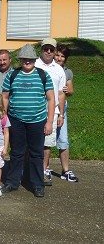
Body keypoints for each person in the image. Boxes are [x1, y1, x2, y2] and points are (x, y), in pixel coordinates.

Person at [1, 44, 55, 198]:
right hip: (16, 120)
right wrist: (4, 118)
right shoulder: (13, 75)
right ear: (20, 60)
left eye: (30, 59)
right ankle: (12, 182)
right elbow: (5, 96)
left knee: (36, 154)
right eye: (24, 58)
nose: (27, 61)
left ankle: (37, 185)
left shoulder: (43, 75)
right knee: (17, 153)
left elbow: (51, 99)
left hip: (37, 121)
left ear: (34, 59)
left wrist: (49, 122)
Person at [35, 38, 67, 186]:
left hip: (52, 112)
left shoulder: (59, 69)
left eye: (51, 49)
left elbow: (61, 93)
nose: (48, 52)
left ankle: (43, 170)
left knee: (47, 143)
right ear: (41, 49)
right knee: (33, 141)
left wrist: (61, 114)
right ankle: (30, 169)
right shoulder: (34, 64)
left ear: (55, 51)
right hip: (34, 110)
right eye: (46, 49)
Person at [54, 44, 78, 182]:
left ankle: (65, 170)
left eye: (62, 56)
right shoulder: (47, 69)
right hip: (48, 106)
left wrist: (68, 91)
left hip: (62, 107)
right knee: (45, 139)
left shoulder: (67, 72)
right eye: (57, 55)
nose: (59, 58)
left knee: (63, 139)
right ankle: (44, 168)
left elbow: (71, 91)